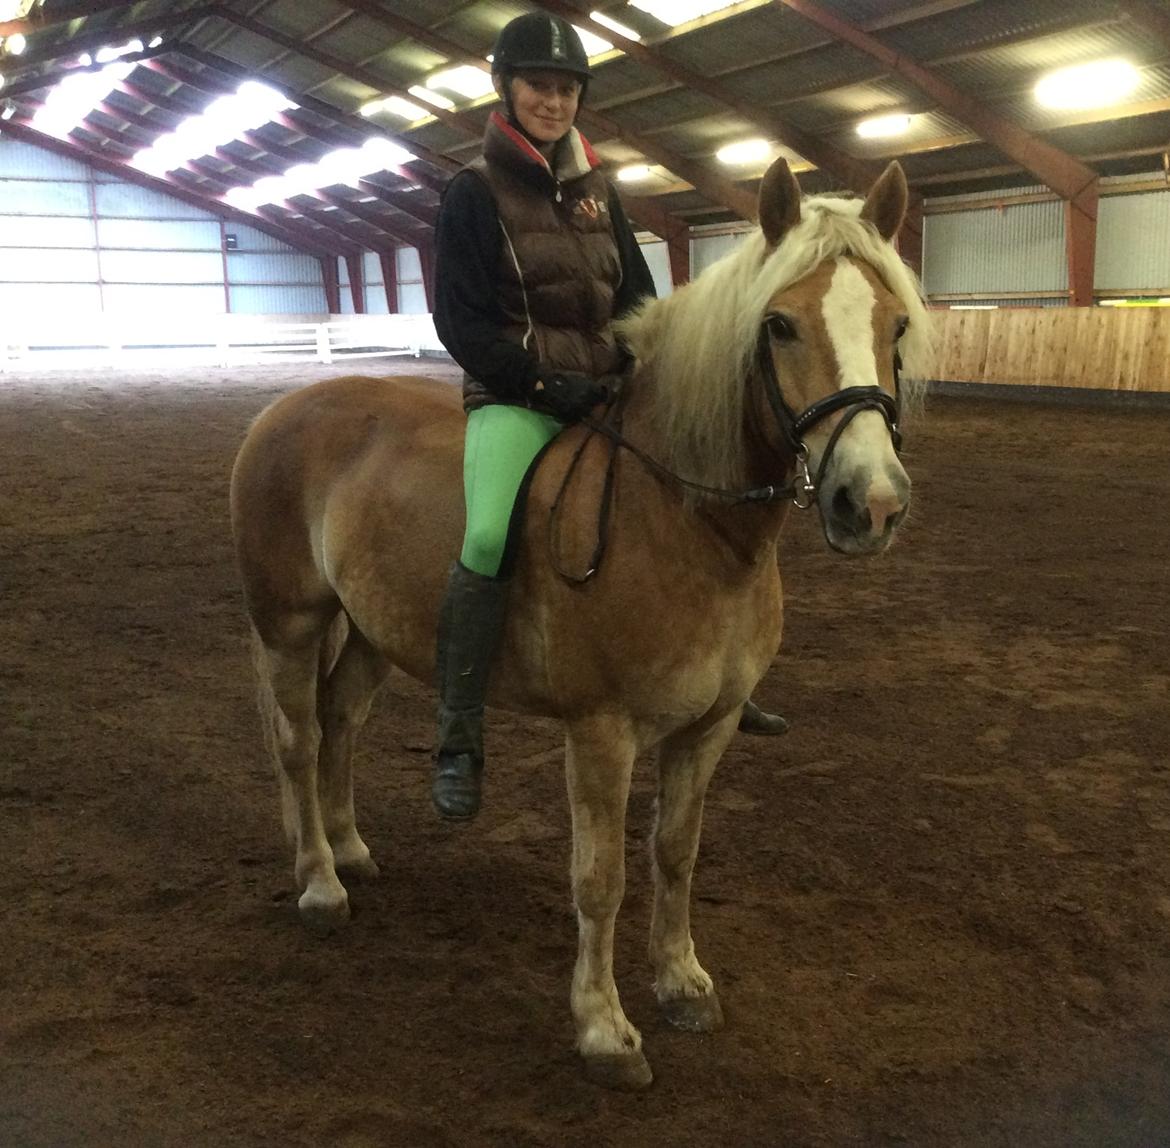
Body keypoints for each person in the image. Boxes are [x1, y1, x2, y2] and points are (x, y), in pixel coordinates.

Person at [430, 12, 787, 822]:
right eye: (538, 86)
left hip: (604, 391)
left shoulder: (599, 191)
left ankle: (721, 680)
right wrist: (542, 384)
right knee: (487, 535)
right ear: (506, 90)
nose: (553, 102)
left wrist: (653, 363)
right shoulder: (473, 192)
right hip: (516, 399)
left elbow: (634, 297)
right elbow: (462, 323)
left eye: (565, 89)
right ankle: (458, 730)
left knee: (703, 491)